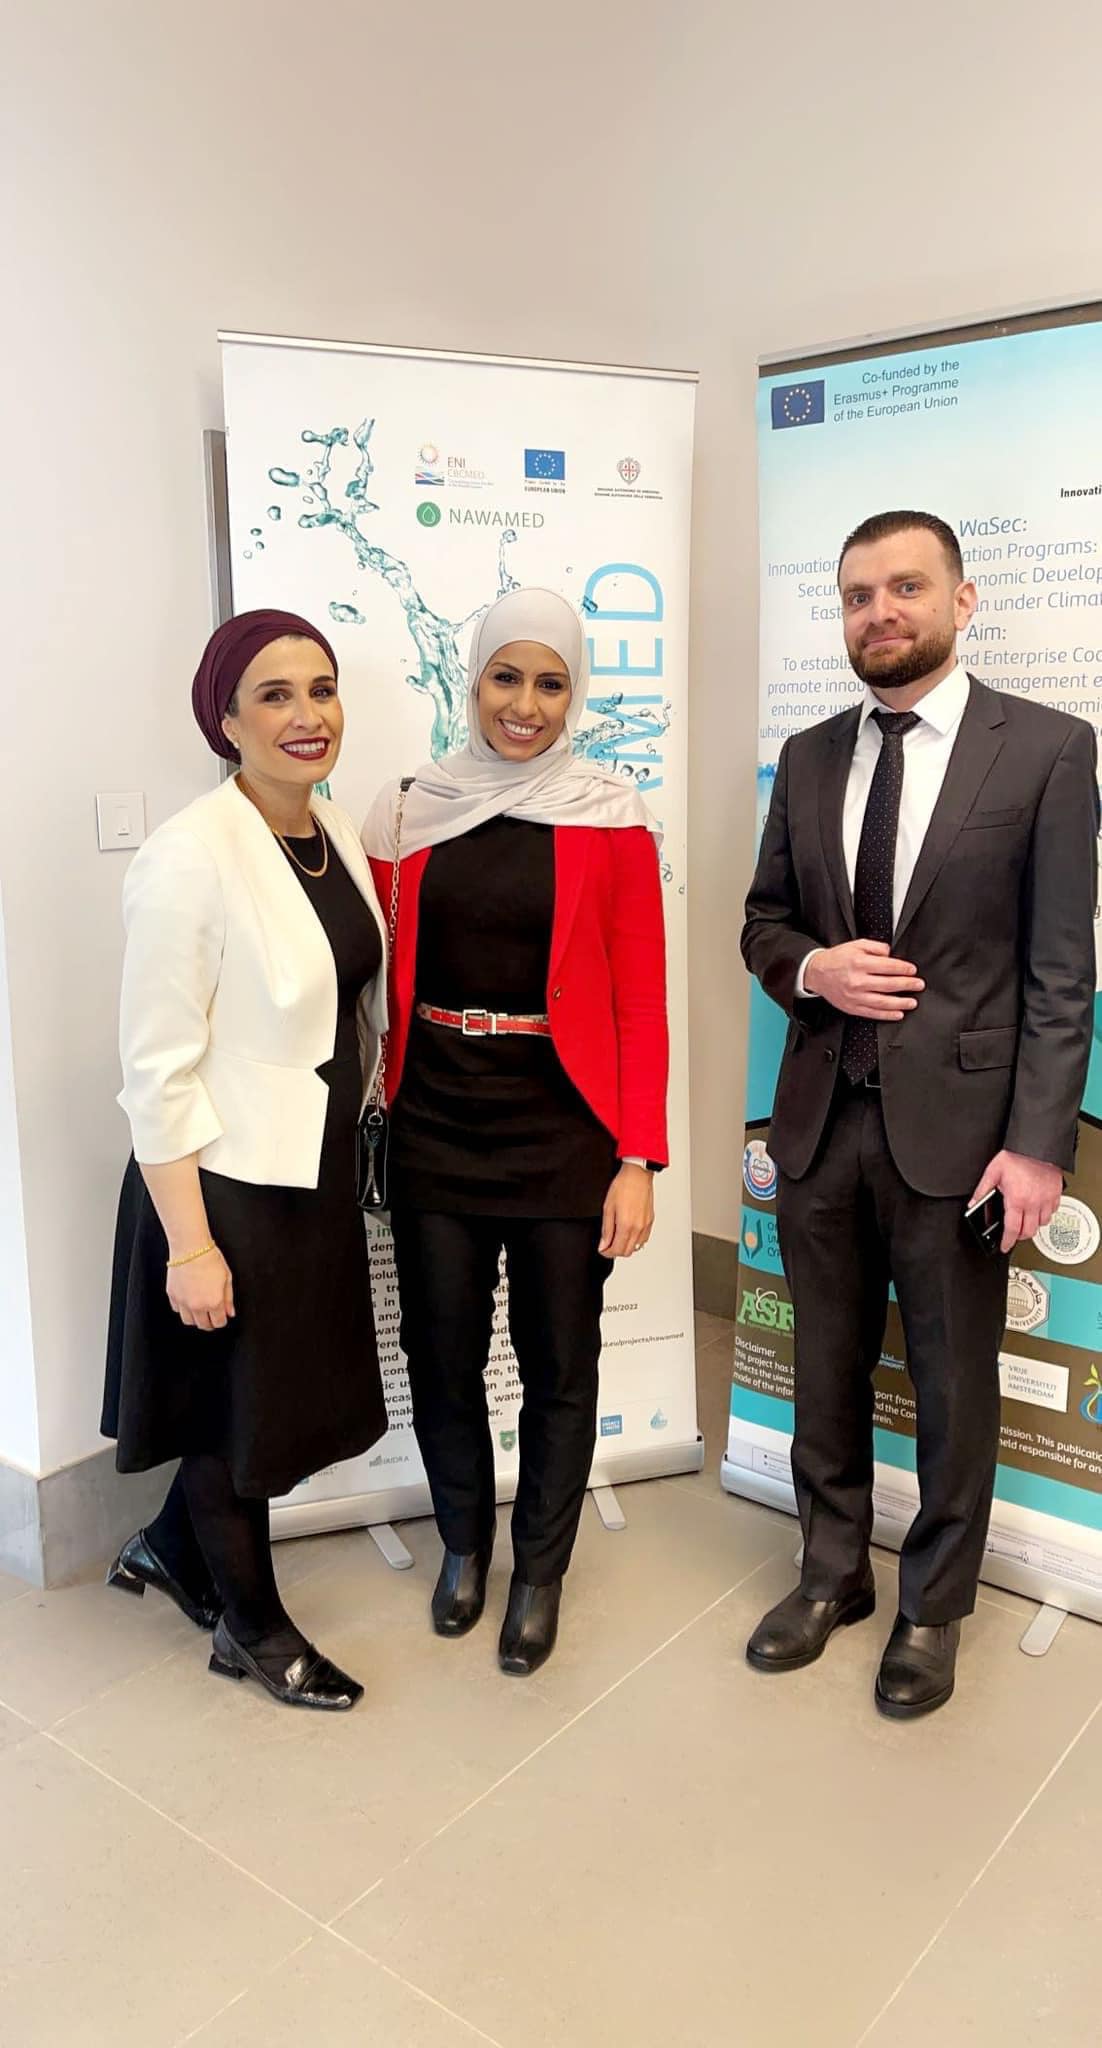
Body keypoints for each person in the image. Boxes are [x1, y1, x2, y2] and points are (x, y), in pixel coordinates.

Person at [741, 510, 1098, 1718]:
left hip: (962, 1135)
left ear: (961, 599)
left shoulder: (1045, 749)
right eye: (856, 595)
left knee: (952, 1381)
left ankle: (933, 1605)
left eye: (904, 587)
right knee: (823, 1366)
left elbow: (1061, 970)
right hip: (817, 1120)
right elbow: (762, 921)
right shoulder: (805, 756)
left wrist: (1038, 1143)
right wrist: (812, 969)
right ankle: (830, 1573)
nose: (879, 612)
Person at [362, 587, 668, 1676]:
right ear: (474, 679)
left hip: (565, 1131)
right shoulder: (408, 810)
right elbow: (367, 969)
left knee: (560, 1362)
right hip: (436, 1119)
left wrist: (637, 1157)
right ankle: (463, 1542)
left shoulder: (610, 812)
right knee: (439, 1354)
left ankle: (539, 1570)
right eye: (506, 677)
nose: (524, 705)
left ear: (573, 693)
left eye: (549, 683)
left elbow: (640, 998)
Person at [103, 609, 389, 1712]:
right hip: (220, 1185)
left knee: (259, 1397)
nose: (308, 715)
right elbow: (155, 1071)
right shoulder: (189, 856)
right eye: (274, 695)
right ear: (225, 720)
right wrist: (190, 1247)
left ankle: (170, 1549)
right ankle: (252, 1629)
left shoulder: (331, 828)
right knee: (235, 1416)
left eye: (321, 688)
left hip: (304, 1172)